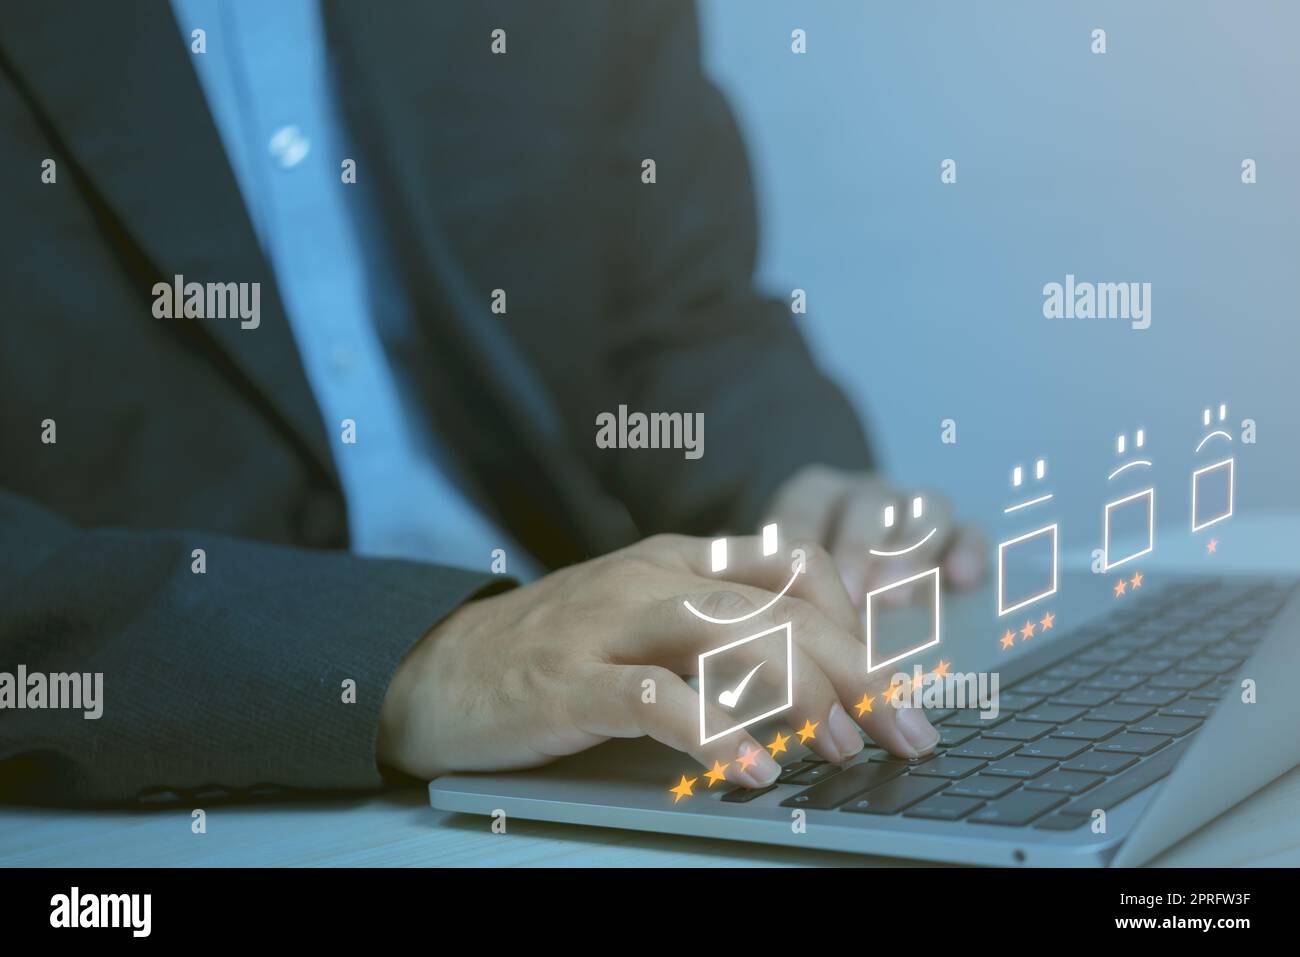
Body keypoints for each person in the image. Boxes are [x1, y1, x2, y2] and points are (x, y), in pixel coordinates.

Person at [0, 0, 984, 804]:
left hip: (585, 736)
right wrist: (417, 657)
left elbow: (676, 313)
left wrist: (791, 484)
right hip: (144, 794)